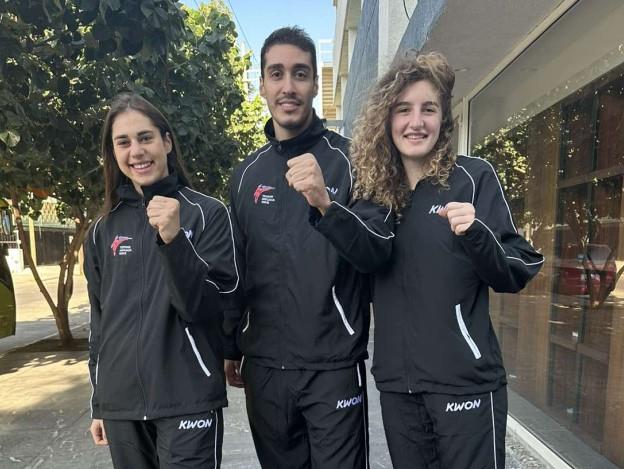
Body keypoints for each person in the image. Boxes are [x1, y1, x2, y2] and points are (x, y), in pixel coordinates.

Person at [312, 51, 545, 468]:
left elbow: (516, 269)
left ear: (444, 119)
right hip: (398, 389)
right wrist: (325, 208)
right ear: (387, 119)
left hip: (465, 384)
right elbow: (364, 254)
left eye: (428, 109)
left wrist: (477, 233)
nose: (415, 122)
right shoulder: (374, 195)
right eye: (403, 109)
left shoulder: (474, 178)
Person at [223, 26, 392, 469]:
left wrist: (326, 205)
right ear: (262, 85)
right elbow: (237, 270)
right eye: (276, 74)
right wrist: (230, 345)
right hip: (265, 368)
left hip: (332, 366)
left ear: (316, 84)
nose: (288, 86)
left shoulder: (353, 161)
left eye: (300, 74)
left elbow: (377, 252)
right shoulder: (245, 176)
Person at [85, 92, 238, 468]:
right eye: (123, 142)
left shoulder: (207, 214)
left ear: (167, 142)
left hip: (187, 397)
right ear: (114, 154)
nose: (136, 151)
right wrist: (100, 403)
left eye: (145, 137)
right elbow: (100, 322)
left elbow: (209, 308)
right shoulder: (102, 229)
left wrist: (174, 241)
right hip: (121, 405)